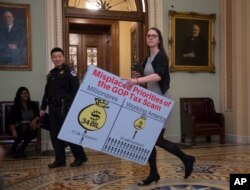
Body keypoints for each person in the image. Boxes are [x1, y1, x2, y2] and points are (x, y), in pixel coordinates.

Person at [126, 27, 195, 186]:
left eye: (154, 36)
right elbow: (148, 78)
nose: (150, 38)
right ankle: (154, 174)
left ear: (159, 40)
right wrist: (139, 76)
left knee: (156, 139)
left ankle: (187, 159)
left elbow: (158, 75)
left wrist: (136, 81)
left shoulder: (161, 56)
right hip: (150, 102)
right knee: (148, 140)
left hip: (162, 101)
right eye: (148, 36)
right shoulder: (147, 59)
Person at [40, 47, 87, 168]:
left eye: (59, 56)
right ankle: (60, 159)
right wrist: (43, 107)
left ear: (63, 57)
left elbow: (75, 90)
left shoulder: (69, 71)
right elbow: (47, 92)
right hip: (53, 107)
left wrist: (70, 106)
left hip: (65, 106)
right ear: (52, 58)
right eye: (54, 57)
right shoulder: (51, 74)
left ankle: (80, 157)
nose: (57, 59)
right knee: (55, 134)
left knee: (68, 132)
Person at [8, 87, 40, 159]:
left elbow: (38, 115)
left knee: (32, 129)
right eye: (22, 93)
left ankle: (21, 149)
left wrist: (34, 120)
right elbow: (11, 120)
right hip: (16, 126)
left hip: (29, 126)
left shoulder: (33, 104)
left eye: (26, 93)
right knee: (25, 128)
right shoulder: (16, 106)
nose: (25, 95)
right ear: (19, 95)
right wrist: (13, 130)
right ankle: (14, 150)